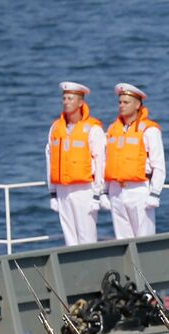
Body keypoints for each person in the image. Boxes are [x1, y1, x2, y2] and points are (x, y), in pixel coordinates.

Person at [46, 81, 105, 246]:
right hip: (63, 190)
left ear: (80, 102)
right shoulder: (55, 128)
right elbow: (49, 161)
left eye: (70, 98)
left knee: (87, 237)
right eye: (64, 98)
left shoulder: (93, 129)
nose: (66, 102)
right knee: (69, 237)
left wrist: (97, 194)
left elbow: (101, 162)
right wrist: (52, 193)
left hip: (84, 189)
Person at [104, 83, 165, 239]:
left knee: (144, 239)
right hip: (116, 191)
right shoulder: (112, 129)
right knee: (122, 240)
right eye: (120, 102)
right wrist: (104, 191)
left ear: (137, 105)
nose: (121, 106)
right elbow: (106, 161)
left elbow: (158, 165)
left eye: (126, 102)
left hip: (139, 190)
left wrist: (155, 193)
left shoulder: (149, 130)